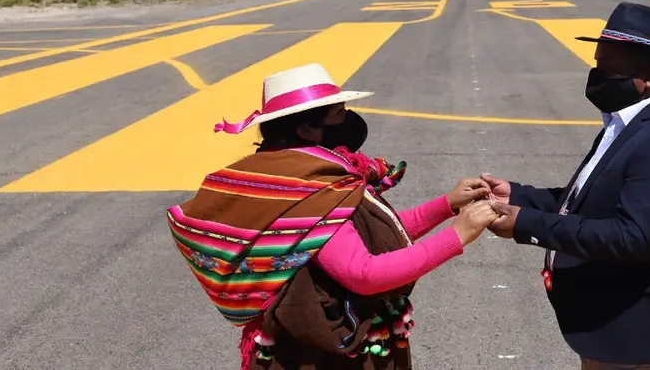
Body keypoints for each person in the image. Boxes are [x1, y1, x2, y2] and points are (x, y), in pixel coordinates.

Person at [167, 63, 498, 370]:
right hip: (325, 352)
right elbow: (363, 273)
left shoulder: (285, 171)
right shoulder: (310, 190)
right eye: (339, 112)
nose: (350, 119)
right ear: (308, 129)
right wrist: (456, 236)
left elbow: (367, 235)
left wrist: (446, 205)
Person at [483, 2, 650, 370]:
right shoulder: (630, 122)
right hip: (615, 336)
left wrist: (525, 222)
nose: (595, 76)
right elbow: (589, 202)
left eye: (606, 68)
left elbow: (632, 238)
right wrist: (519, 195)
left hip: (639, 341)